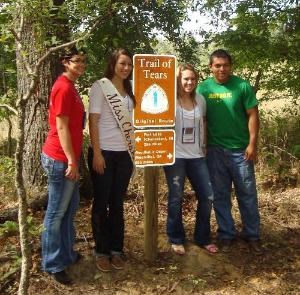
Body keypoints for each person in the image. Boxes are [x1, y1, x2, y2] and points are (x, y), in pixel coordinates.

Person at [196, 49, 262, 254]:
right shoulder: (203, 88)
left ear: (230, 66)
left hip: (241, 151)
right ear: (211, 67)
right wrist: (203, 145)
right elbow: (200, 118)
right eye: (217, 65)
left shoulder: (241, 86)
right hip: (215, 151)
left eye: (225, 65)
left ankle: (252, 235)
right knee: (220, 195)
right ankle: (226, 234)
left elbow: (253, 114)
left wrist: (252, 144)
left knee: (247, 194)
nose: (222, 69)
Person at [41, 46, 86, 284]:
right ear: (65, 62)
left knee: (69, 211)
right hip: (60, 159)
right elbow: (61, 127)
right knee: (56, 213)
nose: (80, 65)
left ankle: (67, 254)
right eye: (76, 61)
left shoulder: (71, 87)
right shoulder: (62, 87)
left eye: (83, 61)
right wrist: (71, 160)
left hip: (68, 158)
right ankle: (52, 263)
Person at [88, 48, 135, 272]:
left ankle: (116, 249)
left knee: (117, 203)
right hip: (104, 152)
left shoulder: (130, 89)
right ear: (113, 64)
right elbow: (93, 121)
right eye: (122, 64)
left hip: (124, 155)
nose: (126, 68)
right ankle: (101, 250)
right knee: (101, 203)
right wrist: (96, 153)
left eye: (129, 64)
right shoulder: (100, 87)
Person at [163, 64, 218, 255]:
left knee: (207, 196)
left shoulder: (200, 99)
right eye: (185, 78)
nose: (189, 82)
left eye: (193, 79)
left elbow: (203, 122)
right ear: (178, 79)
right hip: (175, 156)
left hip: (197, 156)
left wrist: (204, 147)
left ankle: (202, 237)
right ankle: (176, 237)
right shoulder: (170, 100)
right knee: (176, 197)